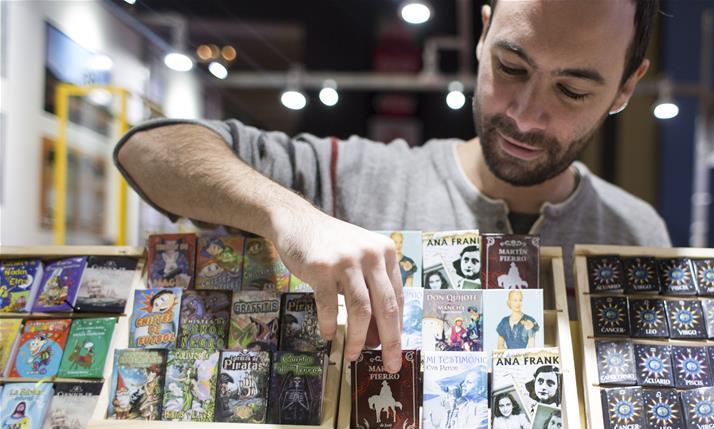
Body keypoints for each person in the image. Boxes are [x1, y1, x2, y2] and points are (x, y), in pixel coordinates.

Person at [115, 0, 669, 375]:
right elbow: (148, 151)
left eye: (572, 91)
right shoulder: (352, 175)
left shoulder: (636, 234)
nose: (525, 116)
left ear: (625, 87)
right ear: (481, 37)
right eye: (511, 67)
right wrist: (289, 214)